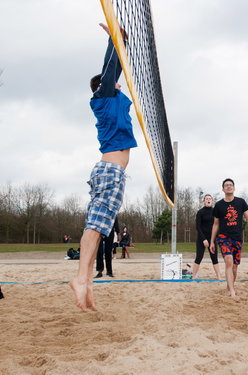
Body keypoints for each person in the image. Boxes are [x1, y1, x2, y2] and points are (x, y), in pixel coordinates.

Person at [70, 23, 137, 312]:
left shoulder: (116, 101)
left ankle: (86, 281)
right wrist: (115, 39)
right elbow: (112, 68)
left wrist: (122, 42)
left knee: (101, 230)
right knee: (95, 228)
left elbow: (116, 72)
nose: (116, 84)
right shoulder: (102, 99)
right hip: (109, 171)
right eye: (110, 83)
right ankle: (81, 279)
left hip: (114, 173)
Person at [210, 178, 248, 300]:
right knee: (229, 261)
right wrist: (211, 241)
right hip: (223, 237)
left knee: (235, 267)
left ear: (234, 188)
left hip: (237, 239)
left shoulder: (241, 202)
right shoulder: (219, 205)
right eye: (226, 185)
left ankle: (229, 286)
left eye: (230, 185)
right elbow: (215, 224)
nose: (228, 186)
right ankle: (232, 292)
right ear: (223, 189)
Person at [193, 194, 221, 279]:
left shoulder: (215, 212)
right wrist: (204, 239)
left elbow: (217, 225)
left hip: (212, 238)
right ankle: (193, 276)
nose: (208, 200)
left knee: (214, 258)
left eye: (210, 199)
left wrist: (216, 237)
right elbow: (198, 227)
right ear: (204, 201)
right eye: (206, 199)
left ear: (212, 201)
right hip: (202, 239)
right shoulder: (200, 212)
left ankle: (219, 276)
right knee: (199, 257)